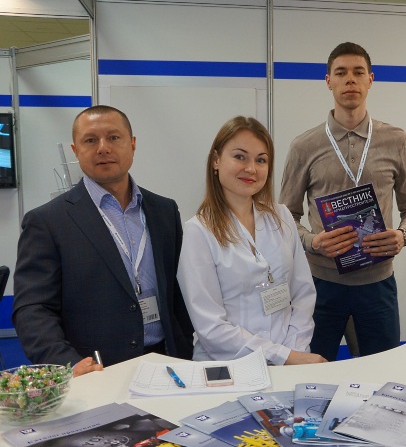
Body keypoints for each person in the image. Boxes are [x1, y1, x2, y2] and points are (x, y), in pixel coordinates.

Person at [12, 105, 194, 376]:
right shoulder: (48, 222)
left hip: (169, 363)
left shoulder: (165, 211)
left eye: (114, 137)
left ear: (132, 144)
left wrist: (186, 348)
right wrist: (67, 363)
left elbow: (179, 293)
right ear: (75, 151)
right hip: (96, 371)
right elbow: (33, 309)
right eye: (90, 140)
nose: (103, 148)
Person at [279, 42, 406, 361]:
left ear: (371, 79)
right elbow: (285, 215)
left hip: (377, 283)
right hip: (320, 284)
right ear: (328, 81)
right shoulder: (304, 146)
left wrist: (403, 235)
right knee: (313, 372)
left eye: (358, 72)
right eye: (341, 73)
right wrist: (312, 242)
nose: (350, 80)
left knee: (382, 371)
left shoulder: (397, 140)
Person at [177, 116, 326, 365]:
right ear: (216, 160)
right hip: (230, 366)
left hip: (292, 357)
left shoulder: (282, 216)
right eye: (240, 157)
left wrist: (294, 350)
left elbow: (303, 294)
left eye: (261, 160)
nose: (251, 169)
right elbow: (211, 328)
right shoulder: (198, 231)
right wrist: (283, 357)